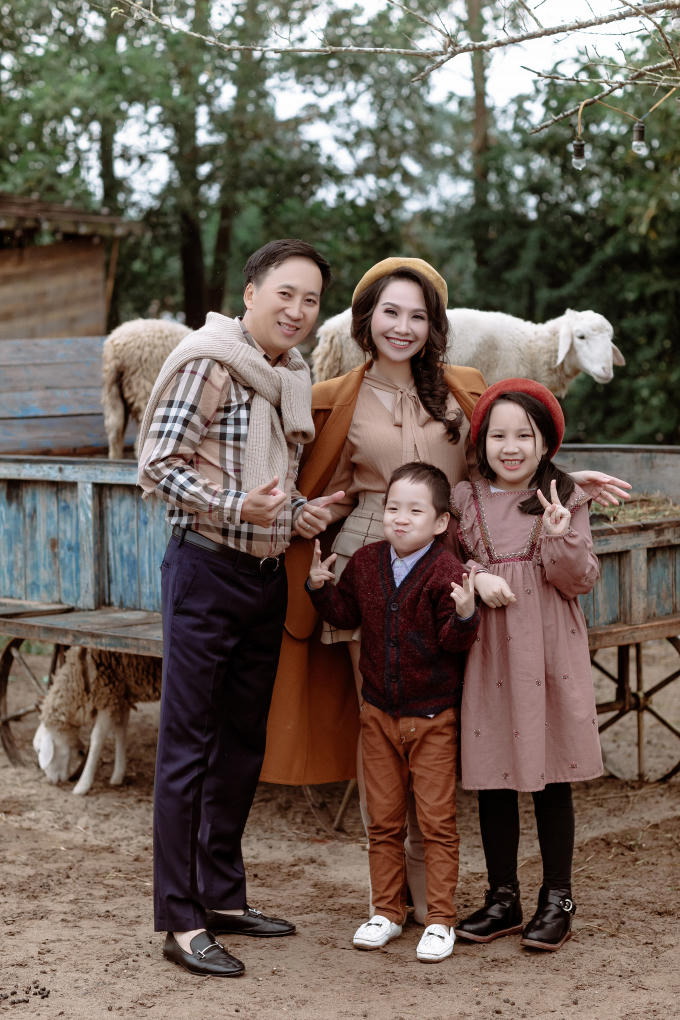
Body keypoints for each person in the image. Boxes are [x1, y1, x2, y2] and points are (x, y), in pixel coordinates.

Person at [260, 255, 629, 921]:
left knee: (446, 724)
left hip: (452, 563)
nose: (402, 327)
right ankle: (392, 896)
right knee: (383, 725)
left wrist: (568, 479)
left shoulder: (464, 388)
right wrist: (302, 516)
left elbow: (505, 457)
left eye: (418, 315)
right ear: (365, 319)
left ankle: (444, 891)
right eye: (390, 313)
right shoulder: (332, 395)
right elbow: (316, 483)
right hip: (371, 563)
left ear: (435, 325)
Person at [136, 239, 344, 978]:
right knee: (187, 750)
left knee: (240, 747)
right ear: (251, 293)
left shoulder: (289, 377)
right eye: (285, 293)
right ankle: (181, 919)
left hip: (264, 575)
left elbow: (272, 489)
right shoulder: (209, 362)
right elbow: (156, 464)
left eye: (311, 299)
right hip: (204, 569)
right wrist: (235, 505)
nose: (297, 310)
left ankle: (222, 896)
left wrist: (299, 514)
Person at [306, 462, 480, 963]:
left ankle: (441, 919)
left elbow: (453, 644)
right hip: (378, 715)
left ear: (441, 522)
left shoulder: (447, 571)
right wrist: (320, 588)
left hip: (433, 719)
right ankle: (386, 911)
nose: (400, 518)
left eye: (415, 511)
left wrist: (465, 615)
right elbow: (346, 615)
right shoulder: (365, 562)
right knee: (383, 822)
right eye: (393, 508)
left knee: (436, 823)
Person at [452, 377, 603, 953]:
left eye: (524, 435)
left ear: (545, 444)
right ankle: (503, 897)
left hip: (548, 652)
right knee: (494, 775)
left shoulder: (565, 499)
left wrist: (560, 538)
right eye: (499, 435)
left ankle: (557, 897)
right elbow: (447, 562)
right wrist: (475, 576)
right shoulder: (466, 499)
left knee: (551, 776)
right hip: (489, 654)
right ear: (482, 441)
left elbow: (579, 580)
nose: (510, 447)